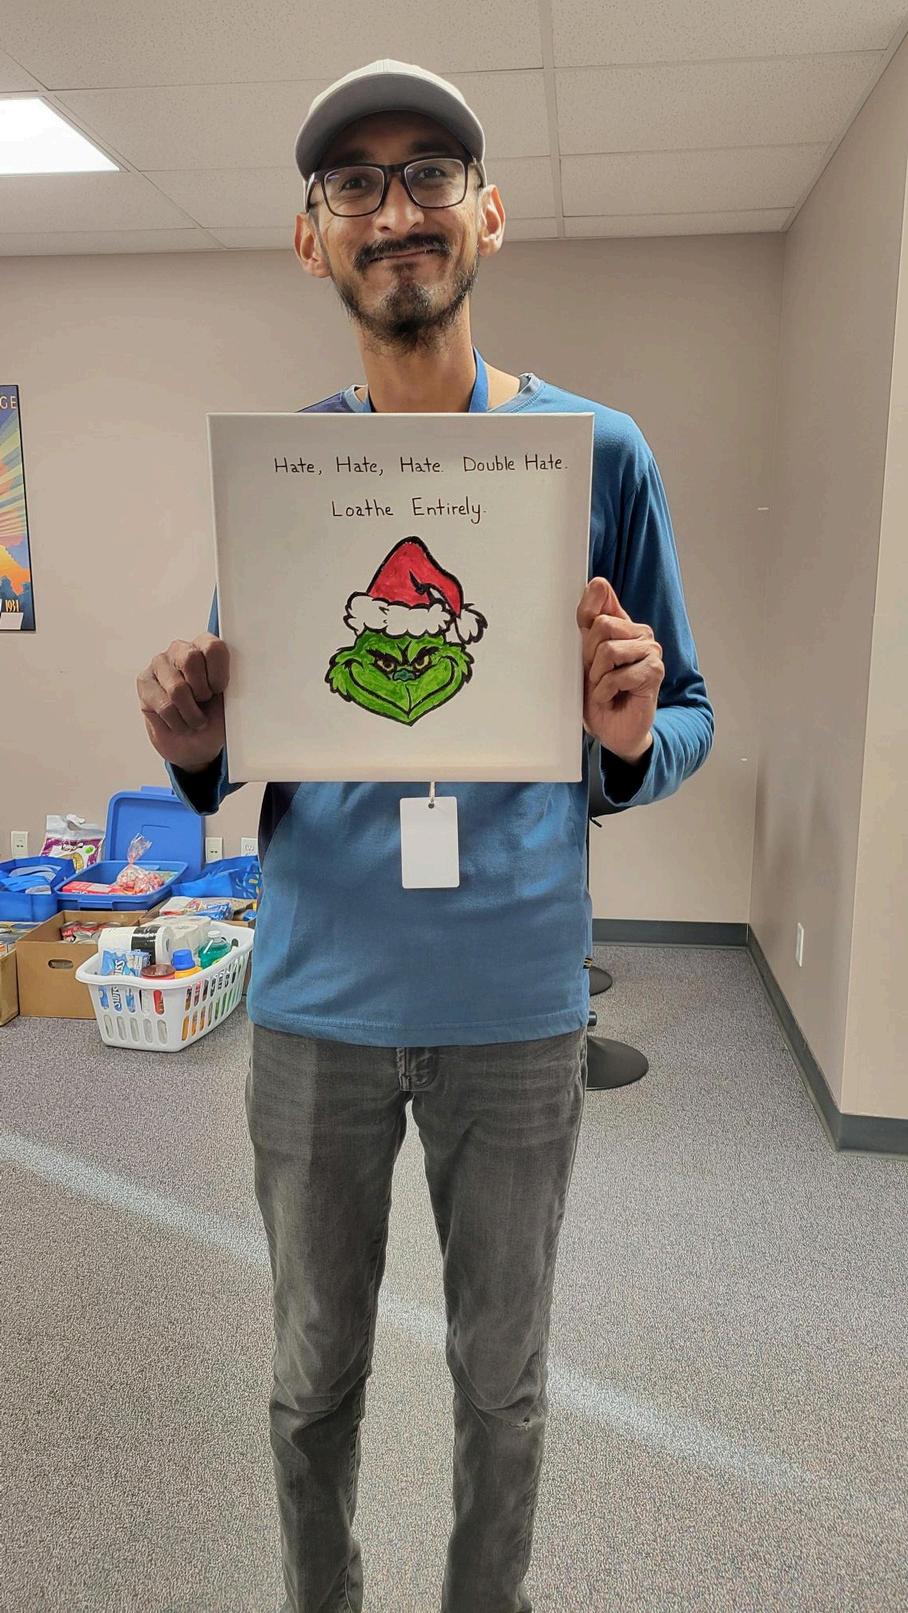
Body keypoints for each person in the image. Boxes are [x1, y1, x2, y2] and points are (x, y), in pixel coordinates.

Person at [136, 59, 714, 1613]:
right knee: (308, 1382)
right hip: (316, 1003)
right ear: (311, 237)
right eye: (355, 183)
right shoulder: (290, 477)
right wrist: (191, 750)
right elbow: (247, 732)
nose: (395, 209)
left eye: (429, 174)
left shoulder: (600, 455)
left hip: (514, 1008)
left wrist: (627, 735)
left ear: (489, 215)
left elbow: (687, 717)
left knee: (500, 1390)